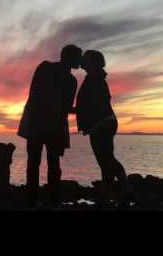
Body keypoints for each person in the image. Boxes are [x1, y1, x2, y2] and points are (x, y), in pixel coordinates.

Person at [17, 44, 82, 207]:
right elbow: (66, 107)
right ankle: (52, 200)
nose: (80, 61)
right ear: (70, 57)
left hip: (39, 124)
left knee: (35, 163)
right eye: (78, 57)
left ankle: (33, 199)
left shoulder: (45, 68)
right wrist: (83, 110)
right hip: (51, 126)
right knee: (52, 164)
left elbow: (33, 95)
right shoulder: (71, 81)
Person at [75, 50, 132, 205]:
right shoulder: (94, 78)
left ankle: (124, 188)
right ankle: (108, 193)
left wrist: (95, 125)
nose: (82, 60)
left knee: (106, 158)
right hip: (102, 124)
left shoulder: (96, 79)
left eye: (85, 58)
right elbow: (87, 105)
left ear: (92, 62)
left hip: (103, 124)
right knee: (104, 159)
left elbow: (99, 105)